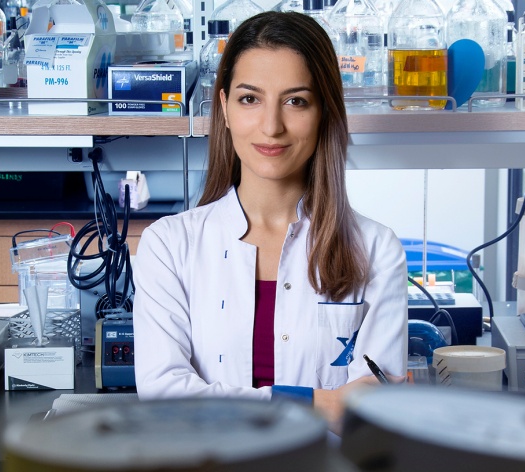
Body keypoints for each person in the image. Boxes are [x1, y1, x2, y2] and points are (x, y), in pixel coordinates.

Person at [133, 11, 408, 432]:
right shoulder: (169, 245)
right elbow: (164, 394)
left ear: (324, 112)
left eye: (296, 101)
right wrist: (318, 403)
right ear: (223, 108)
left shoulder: (375, 249)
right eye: (250, 99)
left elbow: (376, 402)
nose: (271, 126)